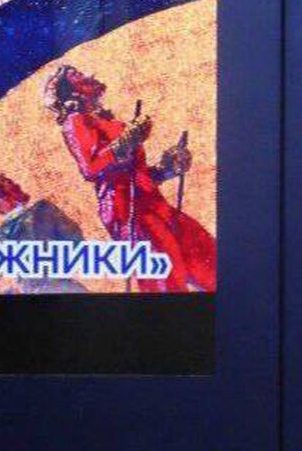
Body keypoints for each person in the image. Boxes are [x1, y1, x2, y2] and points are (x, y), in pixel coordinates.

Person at [43, 63, 216, 293]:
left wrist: (166, 168)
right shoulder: (75, 120)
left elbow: (135, 175)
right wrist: (128, 140)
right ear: (69, 91)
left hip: (154, 204)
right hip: (126, 210)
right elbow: (91, 168)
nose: (88, 74)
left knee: (205, 256)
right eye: (76, 75)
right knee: (165, 276)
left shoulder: (111, 123)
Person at [0, 174, 88, 294]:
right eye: (13, 188)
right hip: (61, 286)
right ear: (1, 201)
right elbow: (76, 241)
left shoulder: (1, 236)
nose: (18, 187)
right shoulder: (43, 209)